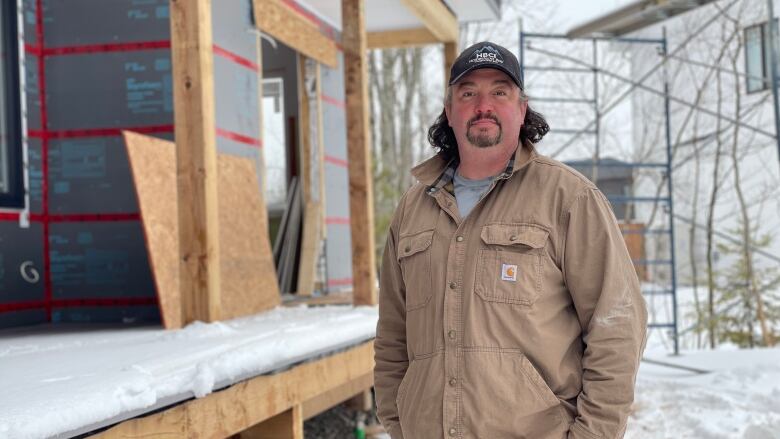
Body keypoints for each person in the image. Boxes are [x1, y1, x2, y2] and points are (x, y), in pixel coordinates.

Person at [373, 41, 648, 439]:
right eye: (468, 93)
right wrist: (398, 422)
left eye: (500, 91)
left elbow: (618, 325)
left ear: (521, 110)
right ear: (449, 112)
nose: (483, 104)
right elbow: (392, 335)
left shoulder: (568, 198)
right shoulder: (412, 210)